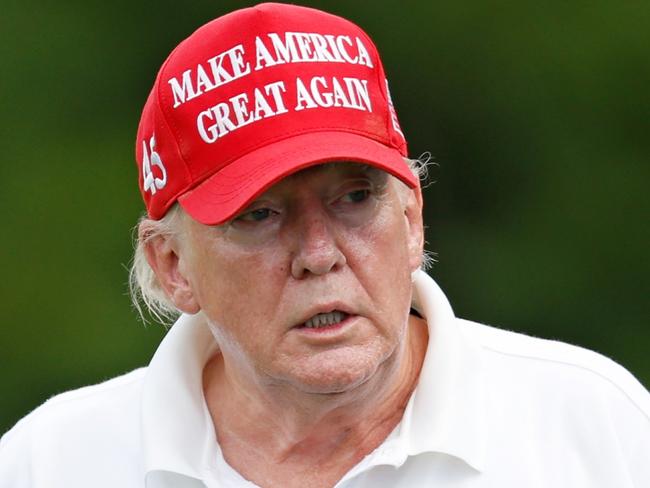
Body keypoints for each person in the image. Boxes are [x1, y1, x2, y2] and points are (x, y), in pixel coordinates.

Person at [1, 3, 649, 487]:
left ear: (413, 217)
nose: (318, 253)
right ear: (172, 267)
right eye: (258, 215)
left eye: (355, 198)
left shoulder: (592, 426)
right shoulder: (52, 463)